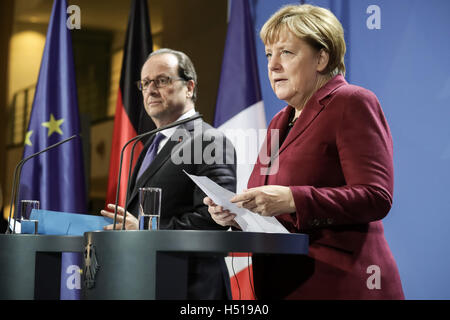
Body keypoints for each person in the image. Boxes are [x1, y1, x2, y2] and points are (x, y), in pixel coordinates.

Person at [204, 4, 404, 299]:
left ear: (321, 58)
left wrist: (293, 199)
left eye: (286, 52)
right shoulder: (279, 121)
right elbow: (272, 209)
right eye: (269, 55)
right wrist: (236, 214)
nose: (272, 66)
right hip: (282, 283)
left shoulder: (352, 102)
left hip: (340, 283)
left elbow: (376, 197)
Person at [101, 48, 236, 300]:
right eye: (145, 83)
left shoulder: (209, 140)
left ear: (189, 87)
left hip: (191, 286)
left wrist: (145, 229)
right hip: (145, 280)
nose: (151, 89)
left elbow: (213, 218)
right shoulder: (148, 145)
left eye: (162, 80)